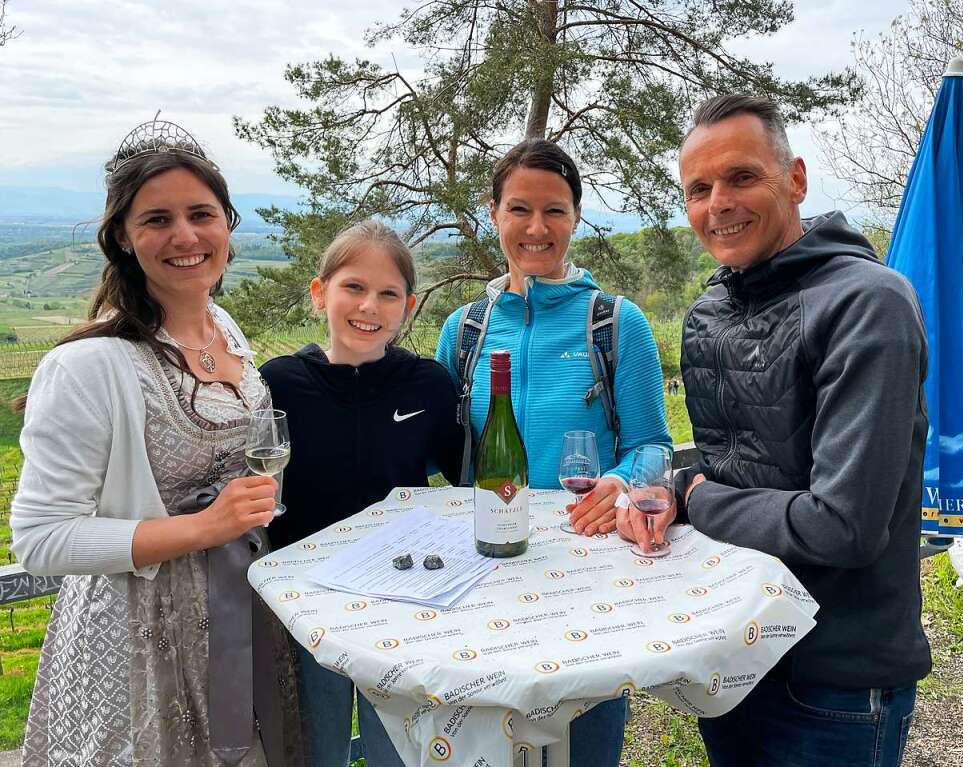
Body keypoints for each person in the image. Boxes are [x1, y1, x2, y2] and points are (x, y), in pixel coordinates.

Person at [618, 95, 932, 766]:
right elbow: (732, 468)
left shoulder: (866, 305)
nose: (718, 202)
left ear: (795, 179)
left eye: (741, 177)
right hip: (732, 649)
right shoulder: (707, 314)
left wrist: (697, 497)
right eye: (698, 188)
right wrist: (678, 487)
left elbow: (842, 525)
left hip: (833, 680)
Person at [11, 120, 303, 765]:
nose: (185, 236)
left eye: (201, 214)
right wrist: (203, 528)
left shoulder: (225, 328)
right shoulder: (88, 366)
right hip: (139, 643)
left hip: (242, 614)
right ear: (123, 236)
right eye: (157, 220)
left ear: (227, 223)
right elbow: (38, 540)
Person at [435, 138, 672, 767]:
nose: (537, 228)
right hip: (484, 569)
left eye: (555, 211)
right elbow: (437, 449)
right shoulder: (464, 331)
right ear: (493, 213)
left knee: (584, 746)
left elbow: (653, 443)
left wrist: (620, 483)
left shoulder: (616, 324)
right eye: (520, 209)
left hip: (587, 574)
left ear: (575, 216)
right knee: (481, 739)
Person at [260, 220, 464, 766]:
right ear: (319, 291)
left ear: (409, 305)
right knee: (313, 748)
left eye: (388, 293)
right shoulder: (277, 384)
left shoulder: (429, 384)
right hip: (305, 610)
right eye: (354, 287)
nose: (369, 306)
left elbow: (469, 479)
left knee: (396, 751)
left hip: (404, 604)